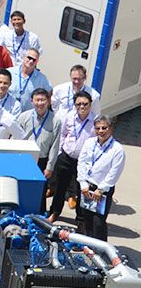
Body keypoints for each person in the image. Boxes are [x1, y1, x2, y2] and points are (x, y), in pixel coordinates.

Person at [48, 91, 96, 223]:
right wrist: (60, 152)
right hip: (66, 157)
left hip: (83, 162)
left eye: (85, 104)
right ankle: (54, 212)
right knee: (59, 188)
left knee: (82, 191)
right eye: (78, 104)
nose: (82, 107)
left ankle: (80, 220)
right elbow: (63, 134)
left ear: (90, 104)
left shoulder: (95, 121)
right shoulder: (69, 117)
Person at [76, 117, 125, 241]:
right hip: (87, 187)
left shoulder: (117, 149)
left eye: (104, 128)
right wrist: (83, 183)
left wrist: (101, 189)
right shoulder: (89, 143)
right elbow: (81, 162)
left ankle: (101, 249)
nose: (101, 131)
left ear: (111, 129)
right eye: (98, 128)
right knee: (86, 218)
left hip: (102, 190)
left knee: (98, 222)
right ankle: (87, 244)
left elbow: (114, 172)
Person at [18, 88, 59, 176]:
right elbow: (16, 138)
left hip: (42, 160)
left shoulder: (55, 120)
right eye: (37, 100)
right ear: (32, 101)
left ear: (48, 101)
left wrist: (49, 167)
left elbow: (54, 146)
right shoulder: (23, 117)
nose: (40, 103)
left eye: (42, 100)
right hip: (24, 158)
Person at [8, 48, 52, 112]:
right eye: (29, 58)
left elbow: (49, 95)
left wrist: (41, 110)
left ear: (37, 62)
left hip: (28, 117)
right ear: (24, 57)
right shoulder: (9, 72)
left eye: (34, 60)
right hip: (9, 114)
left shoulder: (42, 78)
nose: (31, 61)